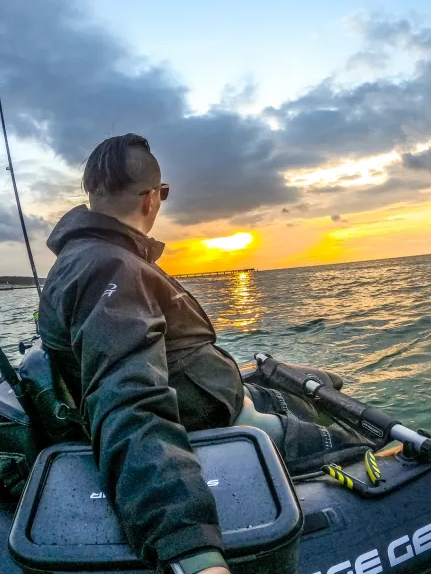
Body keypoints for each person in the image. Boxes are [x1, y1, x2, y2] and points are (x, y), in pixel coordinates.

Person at [38, 134, 365, 574]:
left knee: (321, 388)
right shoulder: (111, 268)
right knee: (355, 444)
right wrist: (191, 550)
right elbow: (129, 401)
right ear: (153, 200)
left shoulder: (86, 256)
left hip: (217, 394)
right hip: (220, 423)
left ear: (91, 194)